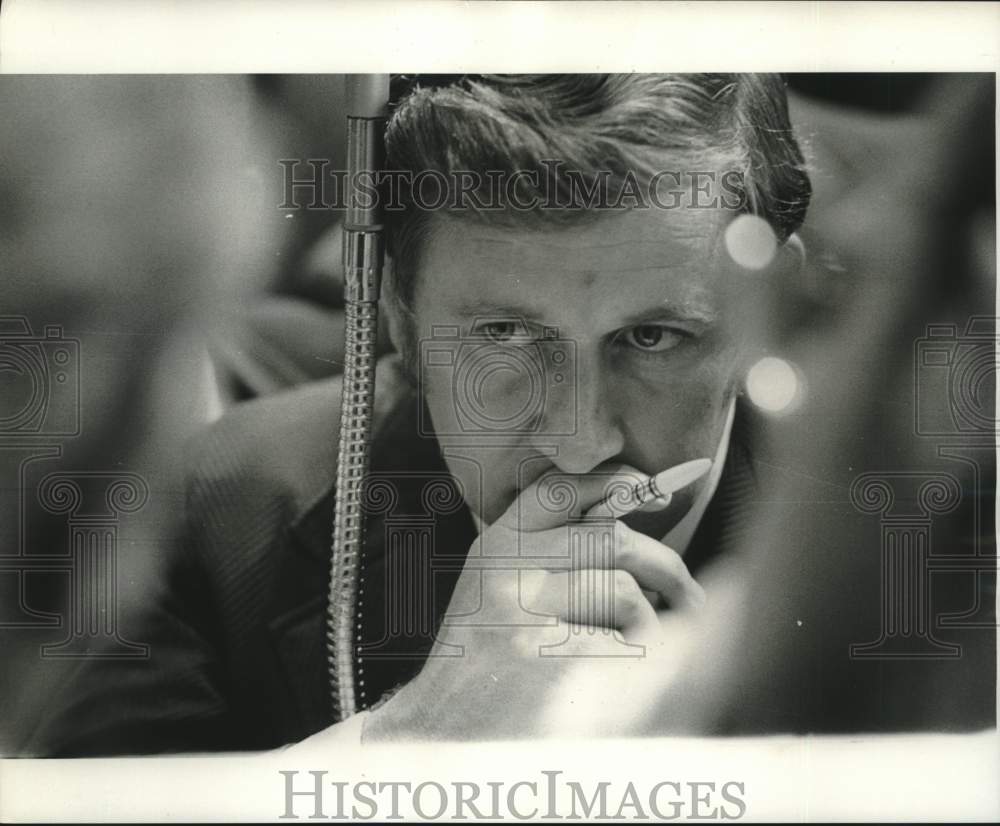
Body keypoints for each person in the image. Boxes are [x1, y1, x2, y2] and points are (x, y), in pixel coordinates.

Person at [33, 73, 816, 753]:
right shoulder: (202, 520)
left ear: (770, 312)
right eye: (504, 336)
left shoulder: (909, 531)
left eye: (653, 337)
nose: (581, 444)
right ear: (398, 318)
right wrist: (413, 740)